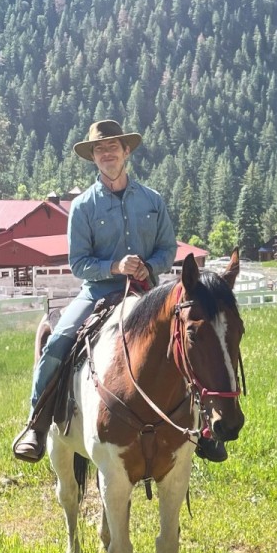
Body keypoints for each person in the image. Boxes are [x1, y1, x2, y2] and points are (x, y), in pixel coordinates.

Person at [12, 119, 177, 461]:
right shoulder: (83, 206)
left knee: (188, 342)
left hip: (146, 293)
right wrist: (115, 267)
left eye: (112, 147)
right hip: (98, 294)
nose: (106, 154)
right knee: (57, 343)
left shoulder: (153, 200)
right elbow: (78, 263)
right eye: (99, 149)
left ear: (126, 151)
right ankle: (36, 424)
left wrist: (151, 266)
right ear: (93, 158)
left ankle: (202, 428)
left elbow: (167, 249)